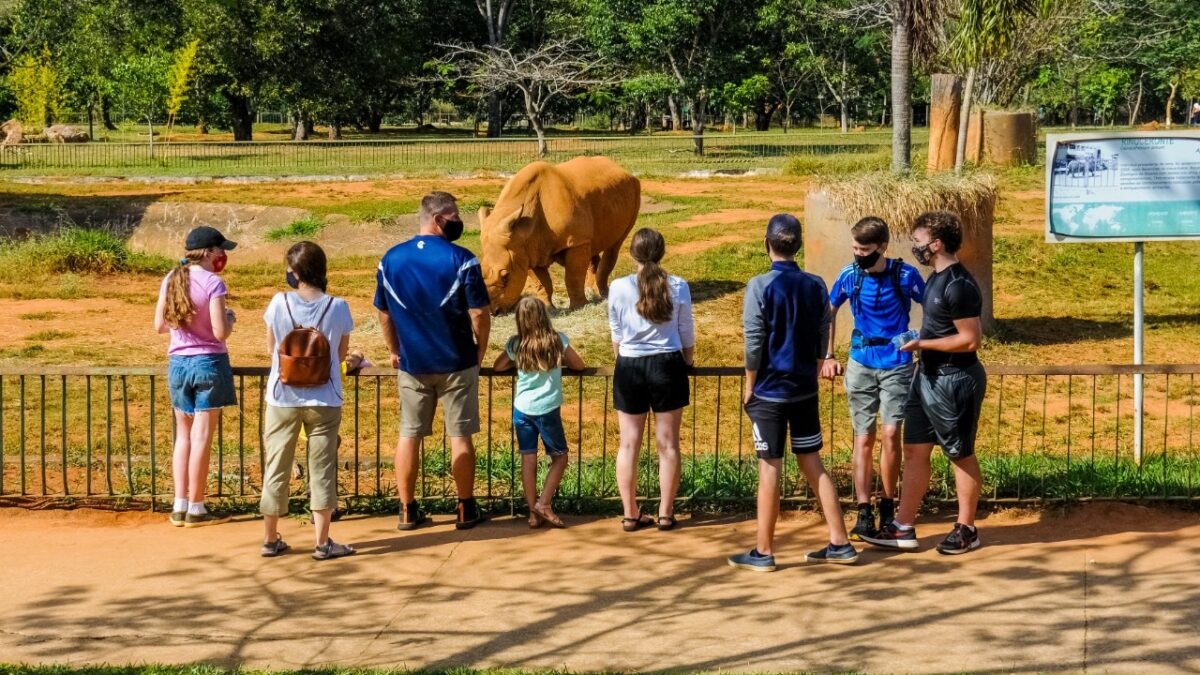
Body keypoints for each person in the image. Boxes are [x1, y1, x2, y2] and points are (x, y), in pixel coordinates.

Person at [728, 214, 857, 572]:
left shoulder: (759, 285)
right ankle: (840, 542)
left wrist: (750, 383)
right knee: (813, 463)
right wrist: (819, 362)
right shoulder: (815, 284)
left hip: (769, 391)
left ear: (767, 243)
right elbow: (823, 326)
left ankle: (764, 551)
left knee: (769, 468)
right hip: (804, 389)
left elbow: (754, 341)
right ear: (797, 245)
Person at [862, 211, 986, 555]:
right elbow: (942, 330)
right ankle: (902, 527)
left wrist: (922, 344)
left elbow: (970, 339)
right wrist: (919, 338)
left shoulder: (959, 285)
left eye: (917, 241)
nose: (914, 247)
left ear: (936, 243)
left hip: (954, 378)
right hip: (927, 376)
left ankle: (967, 528)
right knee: (915, 450)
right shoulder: (935, 278)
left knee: (959, 453)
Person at [375, 191, 491, 531]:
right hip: (457, 360)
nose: (458, 221)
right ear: (438, 219)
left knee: (409, 435)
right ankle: (465, 508)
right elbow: (479, 313)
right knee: (460, 435)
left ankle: (407, 509)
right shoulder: (463, 259)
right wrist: (479, 349)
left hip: (412, 362)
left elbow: (383, 313)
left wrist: (393, 349)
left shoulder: (390, 260)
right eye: (454, 216)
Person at [821, 217, 925, 540]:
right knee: (863, 438)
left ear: (882, 247)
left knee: (892, 433)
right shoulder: (849, 276)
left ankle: (888, 503)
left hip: (896, 362)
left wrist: (921, 339)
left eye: (864, 249)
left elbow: (935, 308)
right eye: (854, 247)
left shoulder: (905, 275)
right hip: (860, 362)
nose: (857, 254)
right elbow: (829, 310)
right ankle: (864, 509)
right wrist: (828, 355)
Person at [259, 242, 356, 560]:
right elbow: (340, 355)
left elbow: (272, 349)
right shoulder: (338, 307)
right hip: (325, 397)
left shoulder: (278, 303)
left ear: (296, 272)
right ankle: (322, 541)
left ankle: (271, 538)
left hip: (282, 396)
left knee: (277, 466)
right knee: (323, 468)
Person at [608, 228, 694, 532]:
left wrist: (623, 357)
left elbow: (616, 335)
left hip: (630, 364)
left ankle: (630, 513)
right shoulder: (679, 286)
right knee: (668, 444)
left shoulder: (618, 287)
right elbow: (686, 333)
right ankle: (666, 513)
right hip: (668, 364)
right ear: (662, 252)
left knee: (628, 444)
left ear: (632, 254)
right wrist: (688, 362)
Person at [153, 225, 237, 528]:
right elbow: (219, 332)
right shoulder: (214, 282)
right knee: (202, 437)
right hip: (208, 362)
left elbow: (160, 326)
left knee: (184, 436)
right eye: (220, 249)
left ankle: (179, 504)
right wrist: (229, 320)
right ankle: (198, 506)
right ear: (210, 252)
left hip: (177, 363)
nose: (223, 255)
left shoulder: (171, 278)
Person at [493, 296, 586, 528]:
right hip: (546, 409)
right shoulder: (557, 341)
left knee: (528, 458)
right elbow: (579, 365)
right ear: (544, 316)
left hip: (522, 409)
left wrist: (517, 360)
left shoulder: (516, 344)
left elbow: (498, 366)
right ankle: (543, 503)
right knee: (560, 456)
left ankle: (532, 513)